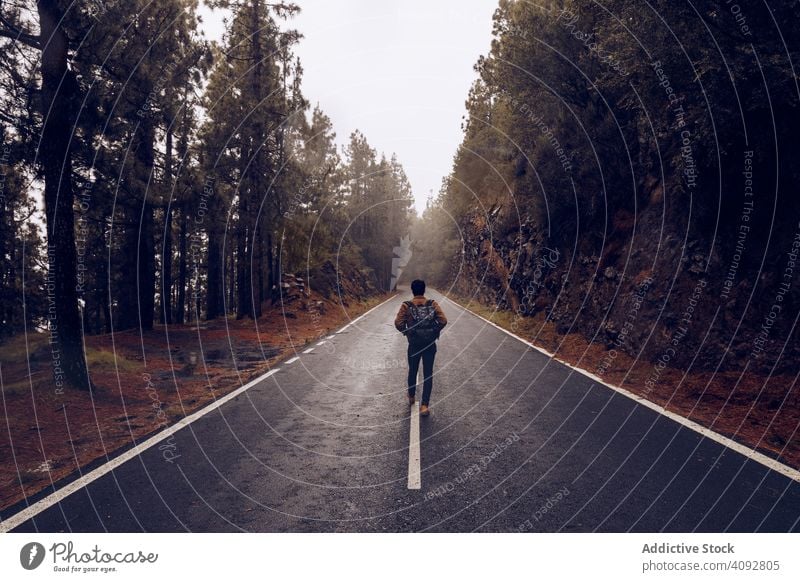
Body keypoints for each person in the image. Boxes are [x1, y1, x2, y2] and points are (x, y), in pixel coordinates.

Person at [394, 279, 447, 416]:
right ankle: (424, 406)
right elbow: (443, 320)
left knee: (413, 370)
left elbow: (398, 323)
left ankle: (411, 396)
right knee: (428, 374)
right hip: (430, 344)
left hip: (414, 344)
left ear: (412, 290)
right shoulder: (432, 304)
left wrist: (407, 332)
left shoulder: (406, 306)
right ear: (424, 290)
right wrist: (434, 331)